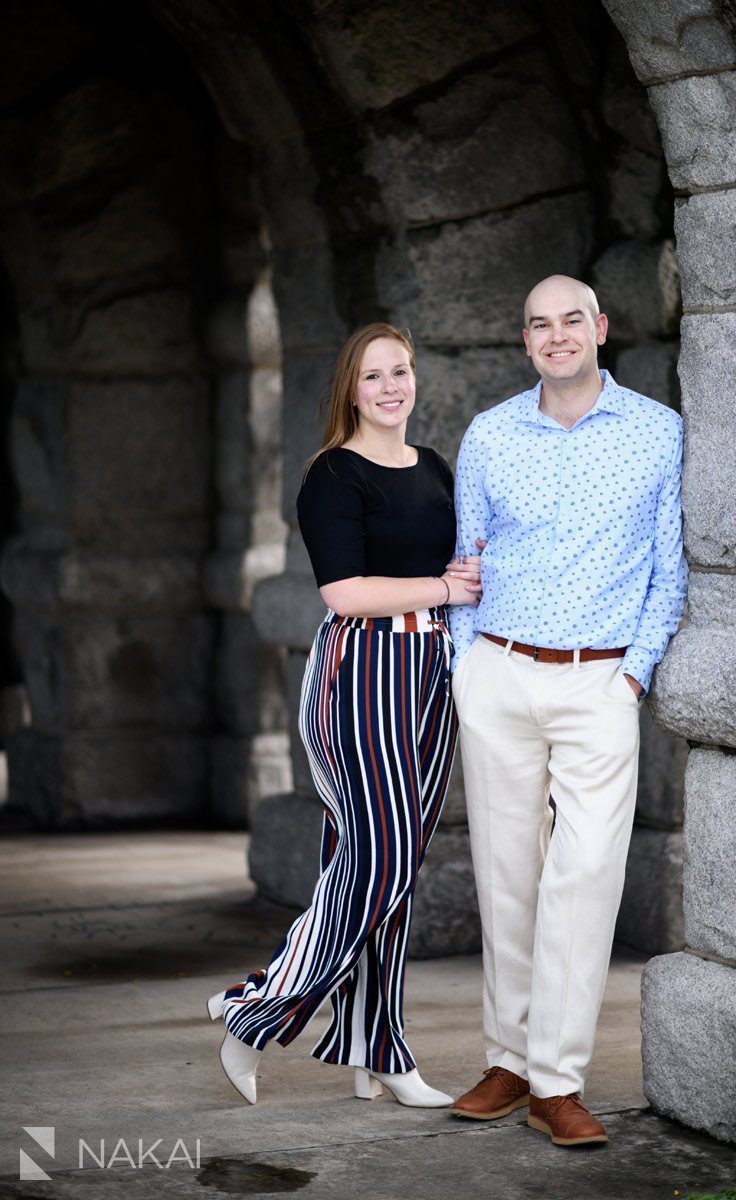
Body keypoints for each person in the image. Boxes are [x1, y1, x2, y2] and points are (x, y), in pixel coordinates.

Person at [207, 322, 482, 1108]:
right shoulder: (331, 476)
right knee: (381, 860)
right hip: (359, 672)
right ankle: (252, 1006)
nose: (392, 386)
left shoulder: (431, 467)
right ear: (349, 391)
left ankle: (378, 1048)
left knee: (391, 872)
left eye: (401, 371)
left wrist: (459, 584)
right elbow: (344, 593)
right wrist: (445, 588)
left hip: (432, 672)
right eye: (373, 377)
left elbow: (452, 562)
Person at [447, 275, 687, 1146]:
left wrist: (632, 676)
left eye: (570, 321)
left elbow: (670, 568)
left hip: (598, 685)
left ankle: (556, 1079)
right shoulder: (489, 434)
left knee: (583, 880)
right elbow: (462, 557)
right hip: (500, 674)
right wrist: (465, 664)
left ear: (600, 329)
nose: (555, 337)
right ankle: (508, 1061)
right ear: (525, 340)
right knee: (506, 876)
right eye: (538, 325)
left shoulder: (658, 434)